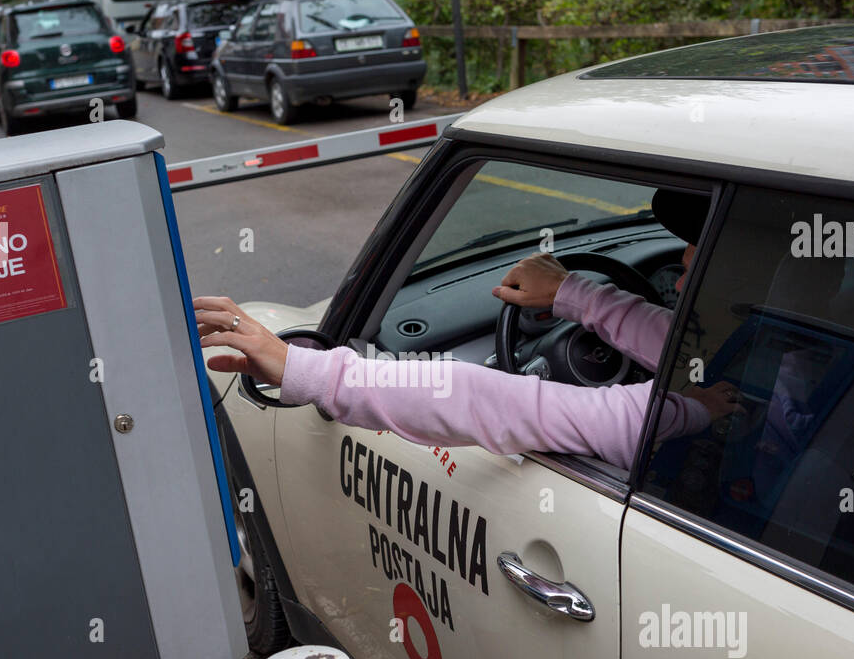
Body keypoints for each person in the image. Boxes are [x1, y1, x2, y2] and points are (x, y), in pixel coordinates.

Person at [196, 190, 742, 468]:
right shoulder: (770, 352)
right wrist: (572, 292)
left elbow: (485, 398)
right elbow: (685, 345)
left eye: (710, 241)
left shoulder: (663, 418)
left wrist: (304, 368)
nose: (687, 257)